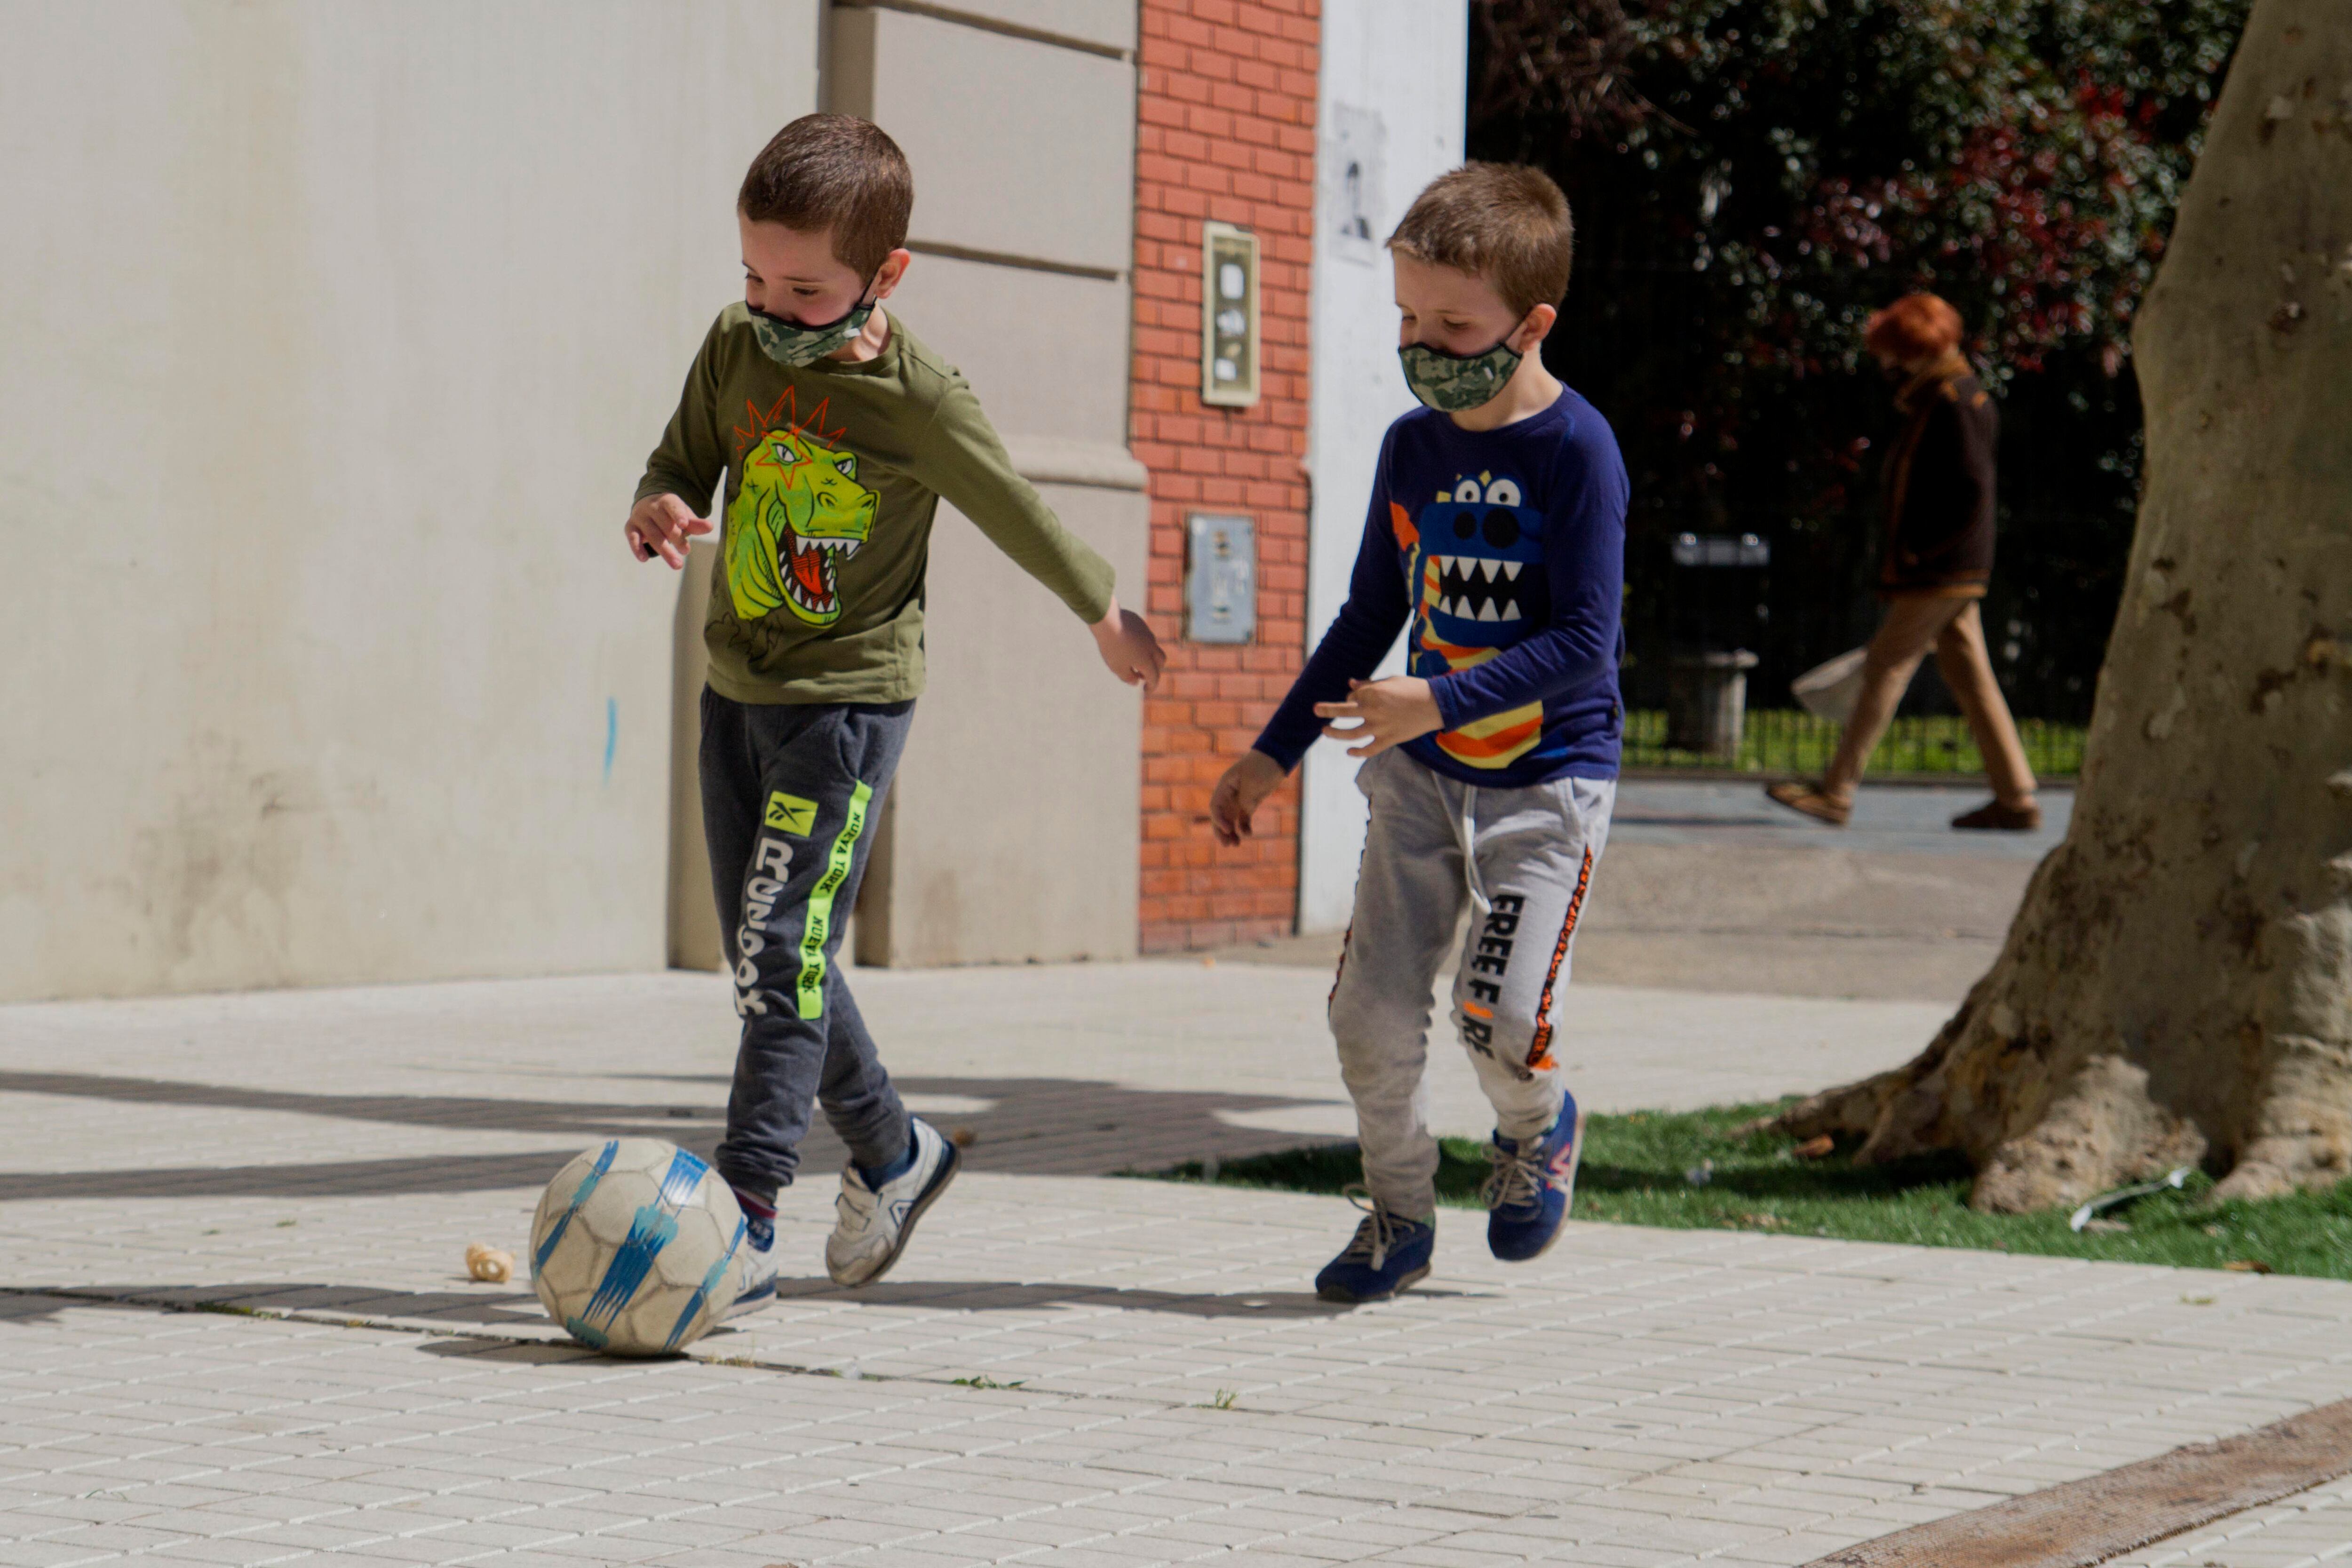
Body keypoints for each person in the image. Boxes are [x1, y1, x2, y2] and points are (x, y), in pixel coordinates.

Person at [626, 115, 1165, 1313]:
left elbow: (1014, 507)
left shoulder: (917, 399)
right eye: (754, 276)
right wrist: (658, 503)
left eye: (804, 290)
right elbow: (681, 458)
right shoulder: (734, 346)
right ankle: (893, 1151)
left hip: (847, 707)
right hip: (736, 690)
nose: (770, 307)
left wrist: (1103, 612)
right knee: (771, 952)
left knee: (781, 948)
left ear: (886, 275)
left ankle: (746, 1212)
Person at [1209, 163, 1628, 1304]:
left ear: (1531, 325)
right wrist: (1273, 751)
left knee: (1499, 1018)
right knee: (1368, 1012)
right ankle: (1398, 1214)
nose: (1422, 345)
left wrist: (1434, 699)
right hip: (1421, 780)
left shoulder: (1577, 450)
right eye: (1407, 318)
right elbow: (1368, 615)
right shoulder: (1411, 448)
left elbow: (1586, 642)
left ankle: (1537, 1127)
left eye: (1453, 326)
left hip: (1546, 782)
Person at [1765, 294, 2040, 831]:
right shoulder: (1948, 395)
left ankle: (1836, 791)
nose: (1888, 361)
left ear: (1918, 347)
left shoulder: (1952, 401)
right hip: (1951, 570)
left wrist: (1923, 551)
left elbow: (1971, 491)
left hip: (1941, 571)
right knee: (1971, 677)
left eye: (1894, 349)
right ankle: (2016, 797)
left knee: (1885, 667)